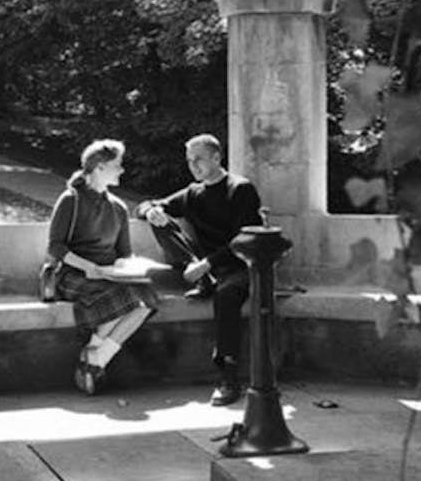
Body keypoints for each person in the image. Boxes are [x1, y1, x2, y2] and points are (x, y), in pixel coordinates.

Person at [135, 134, 263, 406]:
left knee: (226, 296)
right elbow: (145, 204)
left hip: (240, 267)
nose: (193, 166)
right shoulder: (193, 192)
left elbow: (246, 239)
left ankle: (229, 378)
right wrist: (151, 211)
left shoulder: (239, 189)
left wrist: (208, 263)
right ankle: (205, 280)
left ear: (217, 158)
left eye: (199, 160)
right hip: (204, 266)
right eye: (190, 161)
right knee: (161, 222)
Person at [47, 139, 158, 396]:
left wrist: (125, 267)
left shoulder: (118, 207)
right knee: (123, 299)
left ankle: (96, 356)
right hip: (73, 275)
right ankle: (92, 364)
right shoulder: (70, 200)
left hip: (107, 277)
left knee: (147, 300)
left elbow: (124, 253)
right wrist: (88, 267)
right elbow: (55, 248)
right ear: (99, 167)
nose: (122, 171)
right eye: (117, 165)